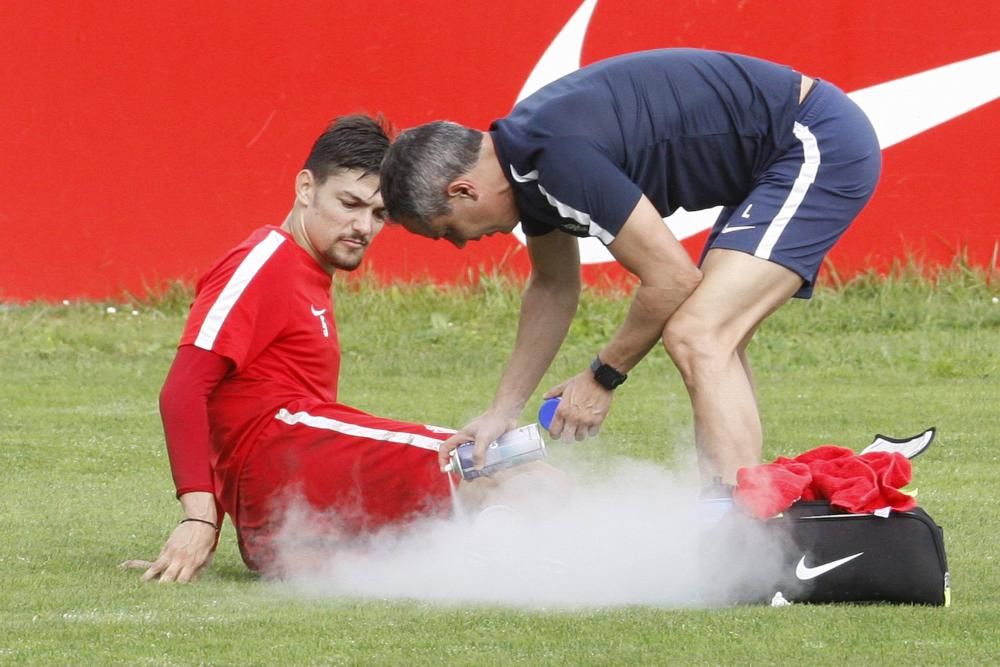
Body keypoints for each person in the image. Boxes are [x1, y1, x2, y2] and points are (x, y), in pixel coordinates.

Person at [380, 48, 882, 485]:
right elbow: (554, 287)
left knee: (699, 335)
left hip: (812, 139)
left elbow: (673, 277)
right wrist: (501, 412)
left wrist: (602, 376)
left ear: (462, 191)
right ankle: (739, 503)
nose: (461, 245)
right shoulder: (523, 165)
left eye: (446, 230)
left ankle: (740, 519)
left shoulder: (555, 156)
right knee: (712, 339)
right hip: (773, 158)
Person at [124, 115, 519, 582]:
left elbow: (234, 408)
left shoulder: (308, 272)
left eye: (378, 216)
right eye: (350, 203)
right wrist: (199, 517)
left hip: (287, 514)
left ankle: (515, 562)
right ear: (306, 187)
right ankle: (550, 568)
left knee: (468, 513)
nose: (362, 227)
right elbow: (185, 390)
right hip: (287, 466)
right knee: (501, 466)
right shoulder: (265, 260)